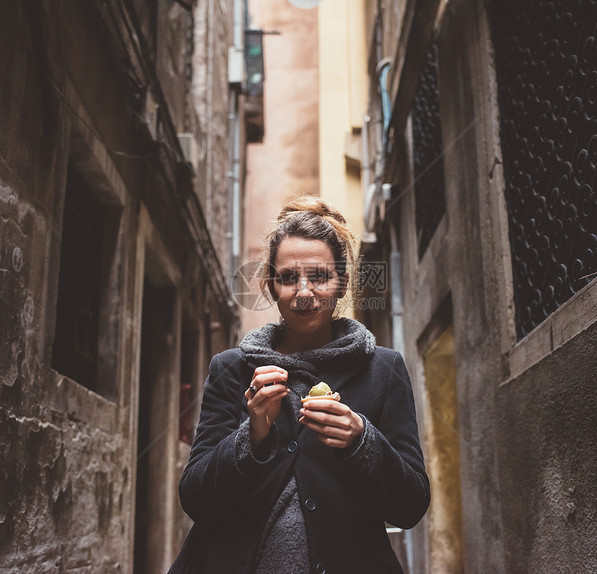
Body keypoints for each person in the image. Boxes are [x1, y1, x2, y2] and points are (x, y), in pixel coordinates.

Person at [168, 197, 430, 574]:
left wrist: (362, 440)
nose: (303, 292)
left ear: (341, 283)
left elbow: (410, 506)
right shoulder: (232, 369)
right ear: (271, 287)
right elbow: (195, 498)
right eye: (288, 278)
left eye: (319, 277)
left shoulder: (382, 370)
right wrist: (252, 436)